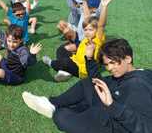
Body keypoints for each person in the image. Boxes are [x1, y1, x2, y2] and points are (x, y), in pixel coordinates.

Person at [22, 38, 152, 133]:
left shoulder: (138, 86)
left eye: (113, 63)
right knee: (89, 83)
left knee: (61, 117)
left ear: (128, 59)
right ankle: (51, 103)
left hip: (108, 124)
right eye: (106, 64)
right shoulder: (127, 73)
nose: (109, 68)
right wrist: (89, 59)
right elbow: (99, 82)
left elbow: (146, 128)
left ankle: (56, 109)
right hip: (105, 107)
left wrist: (113, 106)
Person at [42, 0, 113, 82]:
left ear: (96, 30)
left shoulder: (98, 39)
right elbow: (87, 16)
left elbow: (101, 25)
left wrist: (104, 6)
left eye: (90, 30)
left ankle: (51, 63)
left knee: (65, 62)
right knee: (61, 50)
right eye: (86, 30)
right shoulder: (87, 35)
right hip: (75, 60)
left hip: (82, 70)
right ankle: (64, 71)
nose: (87, 32)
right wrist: (84, 0)